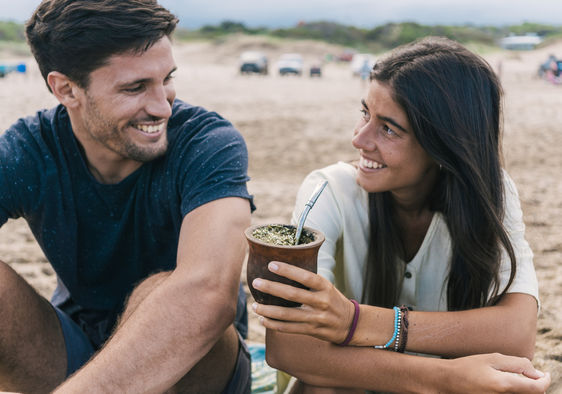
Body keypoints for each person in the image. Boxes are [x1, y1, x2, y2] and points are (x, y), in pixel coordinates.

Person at [252, 37, 551, 393]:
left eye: (388, 128)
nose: (360, 139)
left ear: (444, 146)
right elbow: (290, 349)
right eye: (365, 113)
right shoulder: (327, 192)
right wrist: (446, 378)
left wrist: (358, 323)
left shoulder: (491, 194)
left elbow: (518, 334)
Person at [0, 0, 254, 392]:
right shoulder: (29, 150)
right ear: (66, 89)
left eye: (167, 79)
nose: (161, 106)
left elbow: (208, 293)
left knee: (162, 290)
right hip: (73, 351)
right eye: (135, 87)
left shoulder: (208, 142)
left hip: (195, 367)